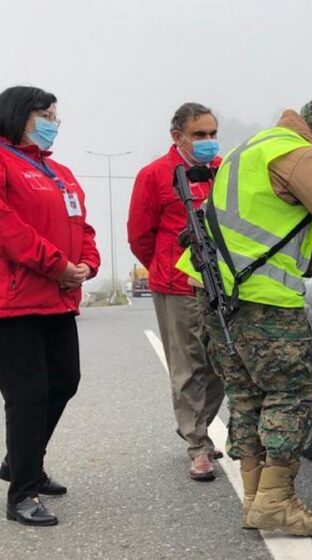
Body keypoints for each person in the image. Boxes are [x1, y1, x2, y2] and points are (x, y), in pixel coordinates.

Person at [177, 99, 312, 535]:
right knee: (291, 391)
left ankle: (255, 500)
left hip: (215, 292)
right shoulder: (298, 153)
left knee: (248, 392)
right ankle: (277, 501)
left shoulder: (248, 149)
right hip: (262, 296)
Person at [0, 86, 100, 526]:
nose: (51, 122)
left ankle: (20, 462)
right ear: (17, 114)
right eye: (42, 113)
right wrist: (58, 265)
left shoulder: (59, 172)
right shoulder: (3, 162)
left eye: (54, 115)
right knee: (27, 395)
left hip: (58, 299)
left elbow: (84, 226)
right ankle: (23, 491)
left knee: (65, 381)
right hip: (14, 301)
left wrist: (87, 263)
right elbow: (9, 230)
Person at [127, 103, 226, 481]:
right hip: (177, 285)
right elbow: (140, 235)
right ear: (177, 136)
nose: (208, 141)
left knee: (220, 360)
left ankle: (197, 426)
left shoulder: (220, 170)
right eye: (199, 135)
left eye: (212, 134)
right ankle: (198, 445)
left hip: (220, 283)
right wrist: (165, 267)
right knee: (189, 366)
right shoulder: (154, 175)